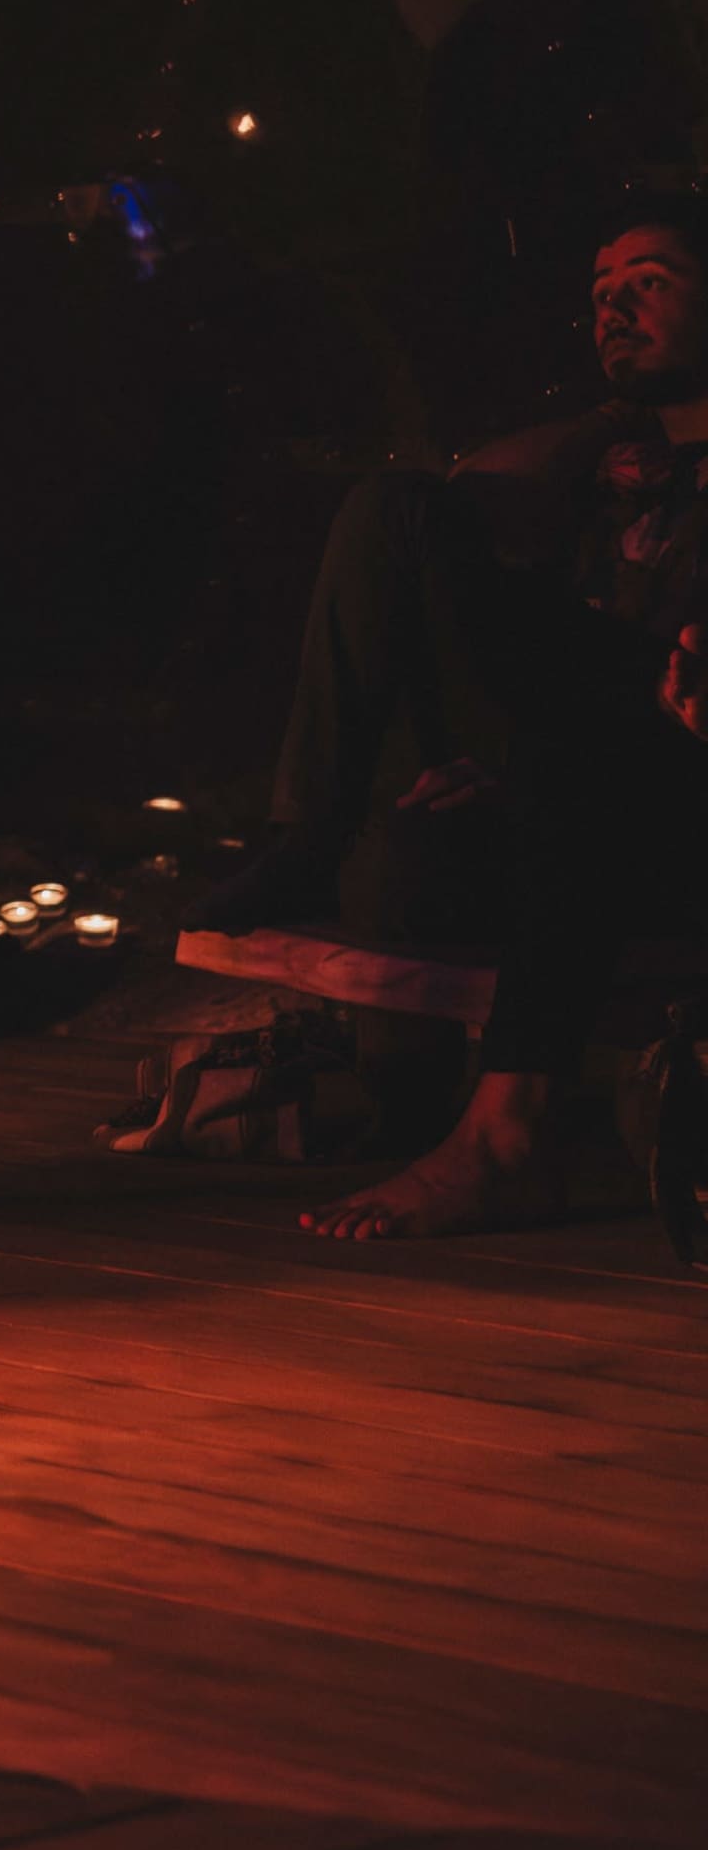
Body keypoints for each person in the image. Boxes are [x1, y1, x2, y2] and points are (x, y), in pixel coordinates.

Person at [190, 207, 708, 1240]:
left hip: (680, 777)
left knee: (582, 752)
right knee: (397, 514)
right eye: (601, 292)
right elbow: (472, 490)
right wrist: (614, 419)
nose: (613, 304)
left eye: (649, 280)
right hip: (587, 769)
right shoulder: (615, 470)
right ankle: (316, 829)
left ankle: (501, 1137)